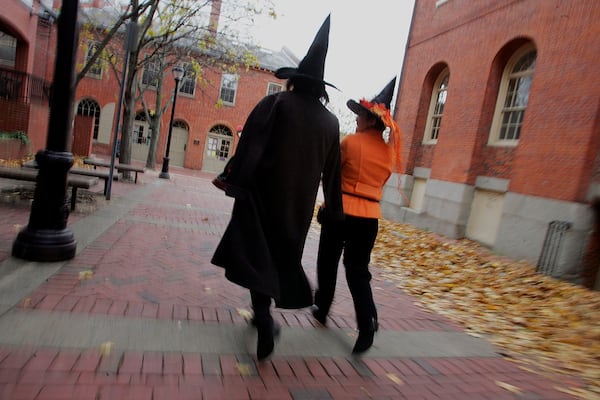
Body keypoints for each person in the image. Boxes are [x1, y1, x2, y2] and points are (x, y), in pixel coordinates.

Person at [211, 15, 344, 361]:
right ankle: (262, 317)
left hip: (261, 198)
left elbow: (250, 145)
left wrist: (235, 181)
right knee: (278, 260)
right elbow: (333, 174)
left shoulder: (276, 104)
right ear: (321, 88)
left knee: (257, 257)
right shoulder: (330, 124)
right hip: (296, 207)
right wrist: (334, 211)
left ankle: (264, 319)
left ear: (295, 81)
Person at [312, 77, 401, 354]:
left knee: (327, 262)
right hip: (369, 217)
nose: (357, 119)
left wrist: (327, 206)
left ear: (371, 120)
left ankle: (322, 307)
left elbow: (332, 176)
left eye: (360, 115)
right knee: (358, 271)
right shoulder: (389, 154)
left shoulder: (349, 143)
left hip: (341, 212)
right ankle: (367, 321)